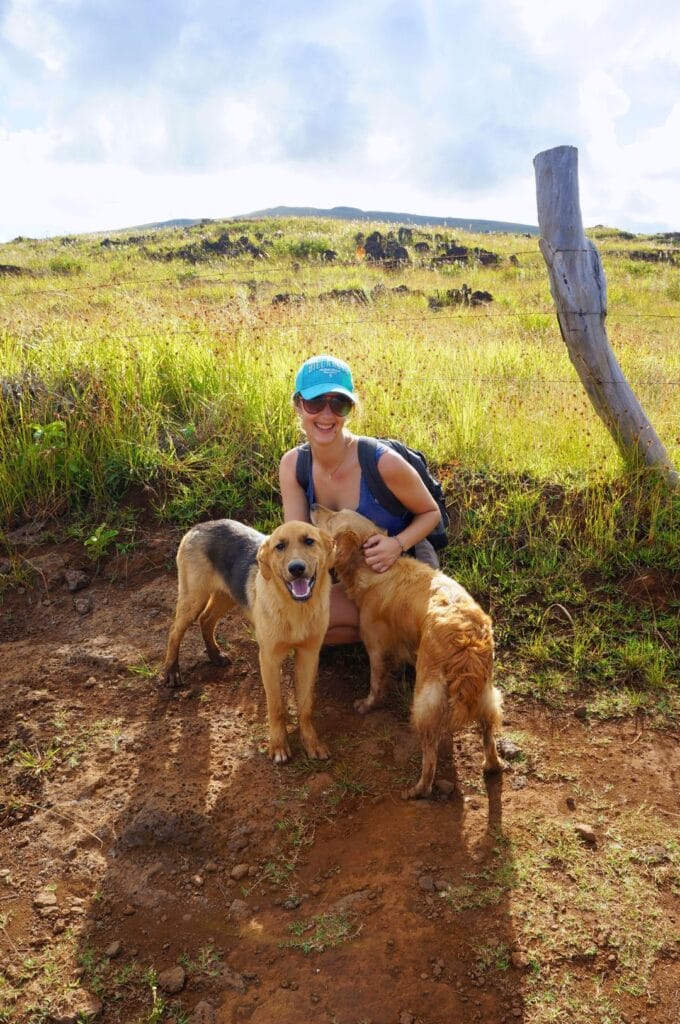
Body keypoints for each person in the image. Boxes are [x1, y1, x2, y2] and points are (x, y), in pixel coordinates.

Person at [279, 354, 442, 644]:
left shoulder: (382, 462)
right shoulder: (294, 466)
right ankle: (390, 636)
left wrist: (396, 544)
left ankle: (401, 632)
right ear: (298, 406)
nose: (327, 415)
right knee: (299, 623)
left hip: (401, 571)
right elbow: (297, 542)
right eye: (316, 403)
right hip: (353, 576)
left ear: (350, 409)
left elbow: (430, 513)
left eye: (338, 404)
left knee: (314, 624)